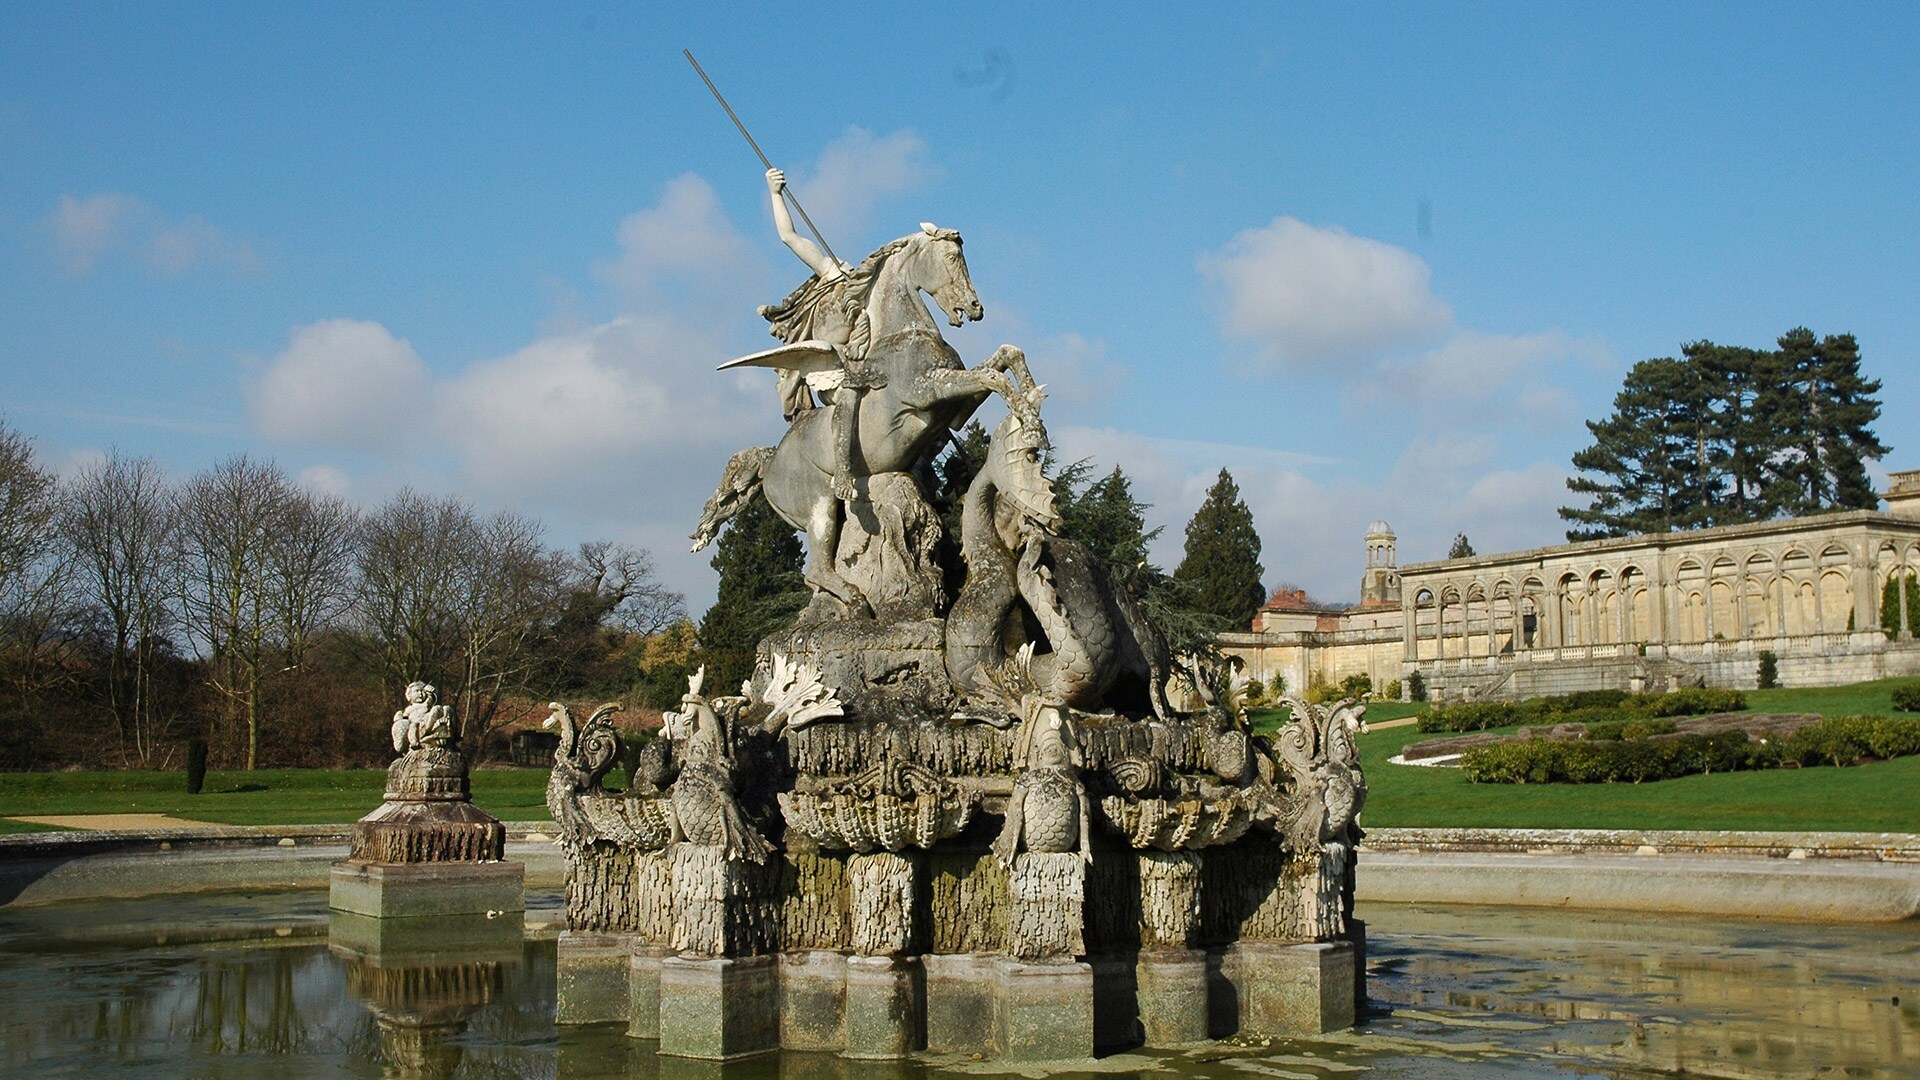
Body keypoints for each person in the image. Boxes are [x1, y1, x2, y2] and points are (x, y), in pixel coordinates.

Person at [760, 167, 875, 502]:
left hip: (866, 372)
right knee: (848, 396)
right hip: (832, 375)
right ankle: (842, 471)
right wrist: (775, 193)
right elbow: (789, 237)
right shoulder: (833, 274)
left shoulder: (868, 296)